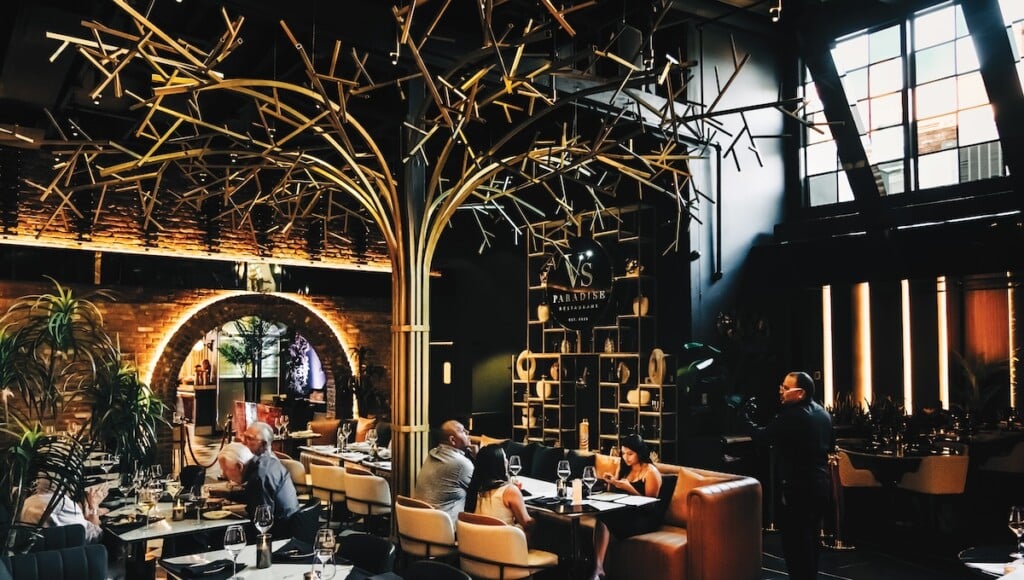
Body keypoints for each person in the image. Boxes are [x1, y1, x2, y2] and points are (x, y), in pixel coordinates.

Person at [744, 371, 832, 580]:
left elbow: (763, 437)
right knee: (811, 540)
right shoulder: (823, 414)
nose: (780, 392)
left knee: (795, 544)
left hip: (798, 488)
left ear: (800, 393)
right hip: (821, 485)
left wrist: (746, 420)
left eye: (785, 388)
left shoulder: (793, 416)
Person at [589, 433, 663, 580]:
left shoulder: (650, 472)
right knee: (602, 516)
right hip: (625, 511)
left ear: (639, 453)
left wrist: (630, 488)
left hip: (644, 518)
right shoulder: (623, 467)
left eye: (630, 454)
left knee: (606, 518)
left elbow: (651, 506)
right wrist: (612, 483)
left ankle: (598, 569)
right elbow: (613, 494)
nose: (626, 457)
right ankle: (598, 568)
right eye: (623, 453)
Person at [220, 422, 299, 531]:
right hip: (290, 522)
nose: (223, 474)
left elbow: (263, 520)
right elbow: (255, 495)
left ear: (240, 466)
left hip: (280, 531)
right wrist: (227, 494)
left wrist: (228, 512)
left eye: (226, 470)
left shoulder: (259, 477)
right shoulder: (267, 463)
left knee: (219, 534)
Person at [413, 419, 477, 523]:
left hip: (420, 524)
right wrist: (478, 458)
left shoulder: (432, 453)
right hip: (444, 528)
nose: (467, 432)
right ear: (452, 440)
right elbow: (481, 490)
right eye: (462, 431)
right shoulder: (461, 464)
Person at [465, 444, 533, 533]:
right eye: (504, 458)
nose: (507, 461)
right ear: (499, 464)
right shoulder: (510, 491)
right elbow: (526, 523)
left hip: (479, 543)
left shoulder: (474, 490)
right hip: (505, 544)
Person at [20, 476, 109, 543]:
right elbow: (96, 536)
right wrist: (94, 507)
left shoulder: (30, 500)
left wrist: (87, 511)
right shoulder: (63, 506)